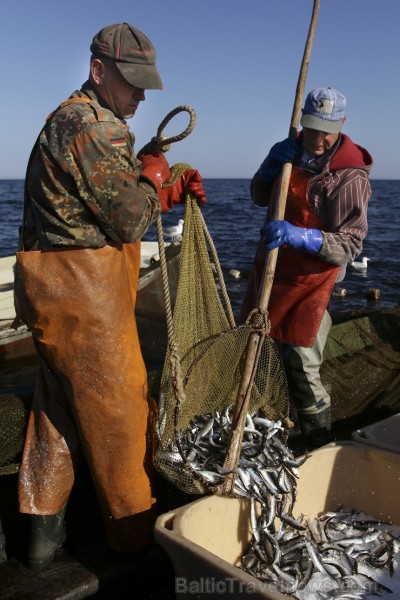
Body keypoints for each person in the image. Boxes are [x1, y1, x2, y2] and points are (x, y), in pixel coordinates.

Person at [13, 22, 206, 571]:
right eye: (132, 83)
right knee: (118, 412)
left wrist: (152, 178)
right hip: (84, 296)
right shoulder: (99, 128)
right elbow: (127, 219)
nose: (142, 95)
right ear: (99, 71)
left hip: (51, 291)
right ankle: (135, 544)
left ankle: (41, 543)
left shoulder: (70, 117)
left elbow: (96, 196)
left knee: (58, 412)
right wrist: (157, 176)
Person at [240, 87, 373, 448]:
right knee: (257, 346)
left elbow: (351, 244)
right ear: (303, 122)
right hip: (273, 269)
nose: (318, 138)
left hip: (314, 280)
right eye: (312, 128)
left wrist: (303, 237)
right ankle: (270, 425)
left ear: (342, 124)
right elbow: (257, 196)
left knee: (300, 361)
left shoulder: (349, 177)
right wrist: (269, 168)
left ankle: (317, 438)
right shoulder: (292, 151)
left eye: (327, 129)